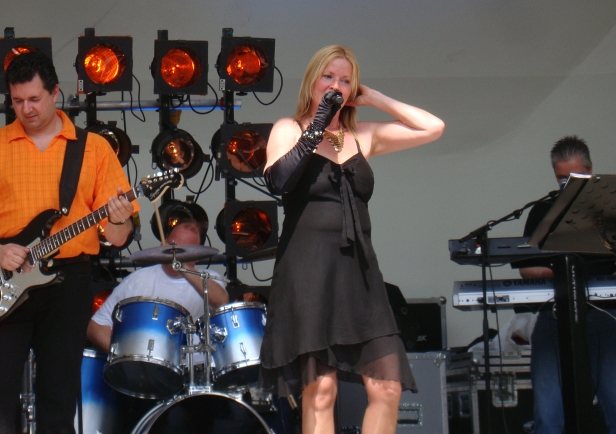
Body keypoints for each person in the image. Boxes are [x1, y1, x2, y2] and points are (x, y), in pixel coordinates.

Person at [0, 51, 137, 434]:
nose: (26, 109)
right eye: (17, 101)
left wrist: (119, 217)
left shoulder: (93, 149)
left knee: (58, 403)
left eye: (34, 99)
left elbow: (117, 236)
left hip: (69, 282)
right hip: (5, 277)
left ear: (55, 93)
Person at [259, 45, 444, 434]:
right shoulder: (288, 129)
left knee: (387, 388)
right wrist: (317, 124)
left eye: (345, 80)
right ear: (312, 82)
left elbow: (433, 127)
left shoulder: (362, 135)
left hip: (358, 273)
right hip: (308, 272)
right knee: (321, 392)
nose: (336, 86)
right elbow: (279, 180)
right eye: (328, 77)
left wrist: (372, 97)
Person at [519, 136, 616, 434]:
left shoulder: (613, 209)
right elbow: (526, 267)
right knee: (548, 415)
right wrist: (556, 272)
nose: (568, 184)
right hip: (555, 315)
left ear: (590, 170)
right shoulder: (542, 211)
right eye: (562, 178)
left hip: (607, 315)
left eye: (574, 177)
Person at [87, 212, 229, 352]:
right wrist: (121, 355)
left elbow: (222, 302)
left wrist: (182, 266)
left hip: (197, 363)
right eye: (173, 245)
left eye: (184, 250)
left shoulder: (208, 278)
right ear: (164, 241)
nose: (175, 253)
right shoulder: (138, 280)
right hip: (147, 364)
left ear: (198, 255)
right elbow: (95, 327)